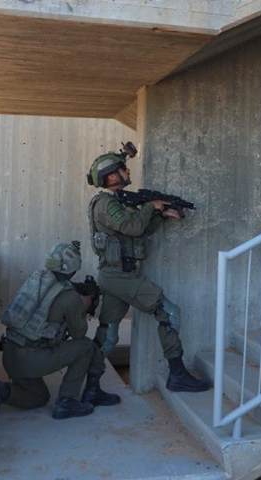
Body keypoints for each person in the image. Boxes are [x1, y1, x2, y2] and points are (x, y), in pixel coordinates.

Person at [86, 148, 210, 393]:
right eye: (122, 168)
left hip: (115, 276)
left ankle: (90, 389)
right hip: (121, 276)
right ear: (110, 176)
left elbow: (140, 231)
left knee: (108, 334)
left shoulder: (116, 203)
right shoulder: (105, 203)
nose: (128, 170)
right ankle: (177, 374)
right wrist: (150, 206)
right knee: (170, 313)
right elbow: (131, 227)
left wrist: (161, 214)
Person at [0, 241, 120, 427]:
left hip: (10, 355)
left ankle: (2, 391)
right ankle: (67, 402)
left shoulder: (37, 279)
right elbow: (79, 333)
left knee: (39, 397)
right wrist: (82, 307)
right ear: (73, 268)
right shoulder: (70, 298)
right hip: (32, 360)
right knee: (86, 347)